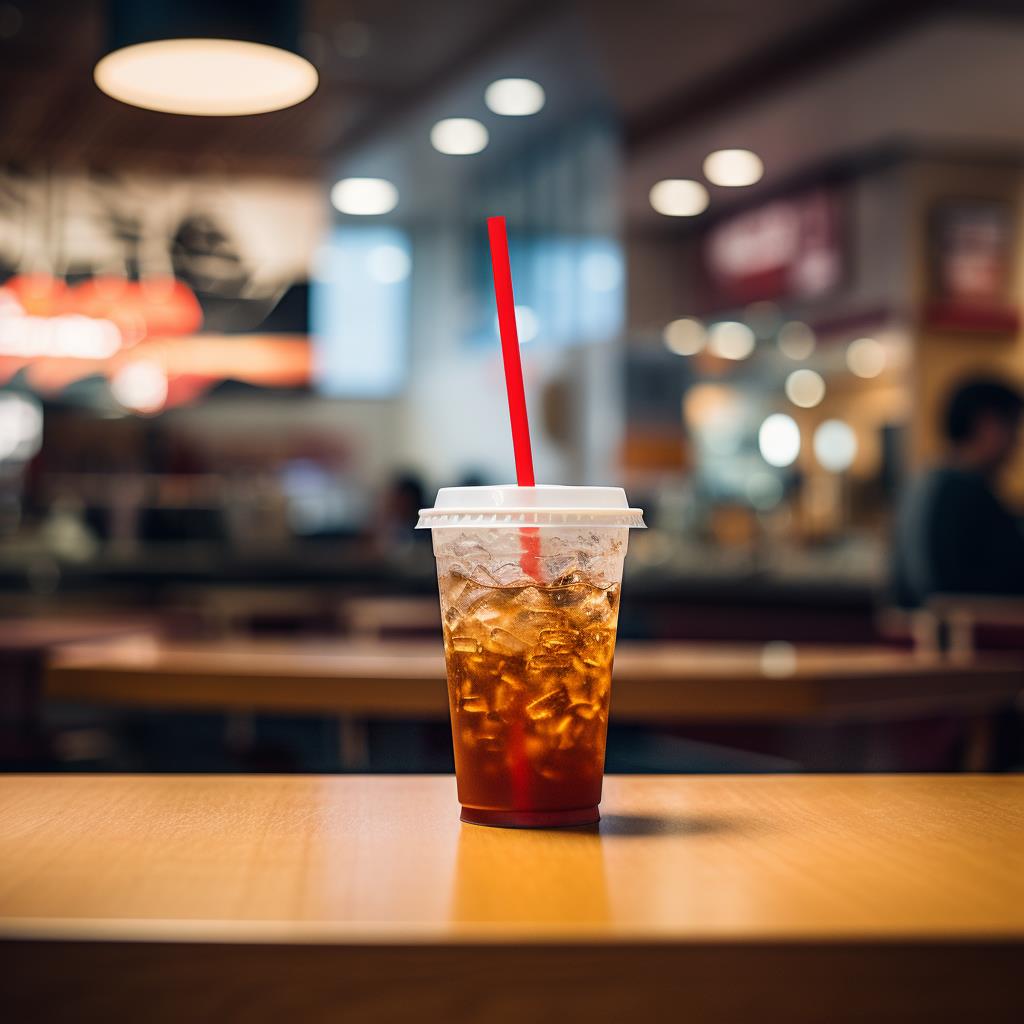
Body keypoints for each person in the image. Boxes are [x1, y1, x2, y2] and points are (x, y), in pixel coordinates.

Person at [892, 376, 1024, 607]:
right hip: (962, 634)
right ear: (987, 424)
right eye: (1012, 426)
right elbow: (956, 589)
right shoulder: (963, 492)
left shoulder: (927, 481)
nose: (1016, 441)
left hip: (925, 631)